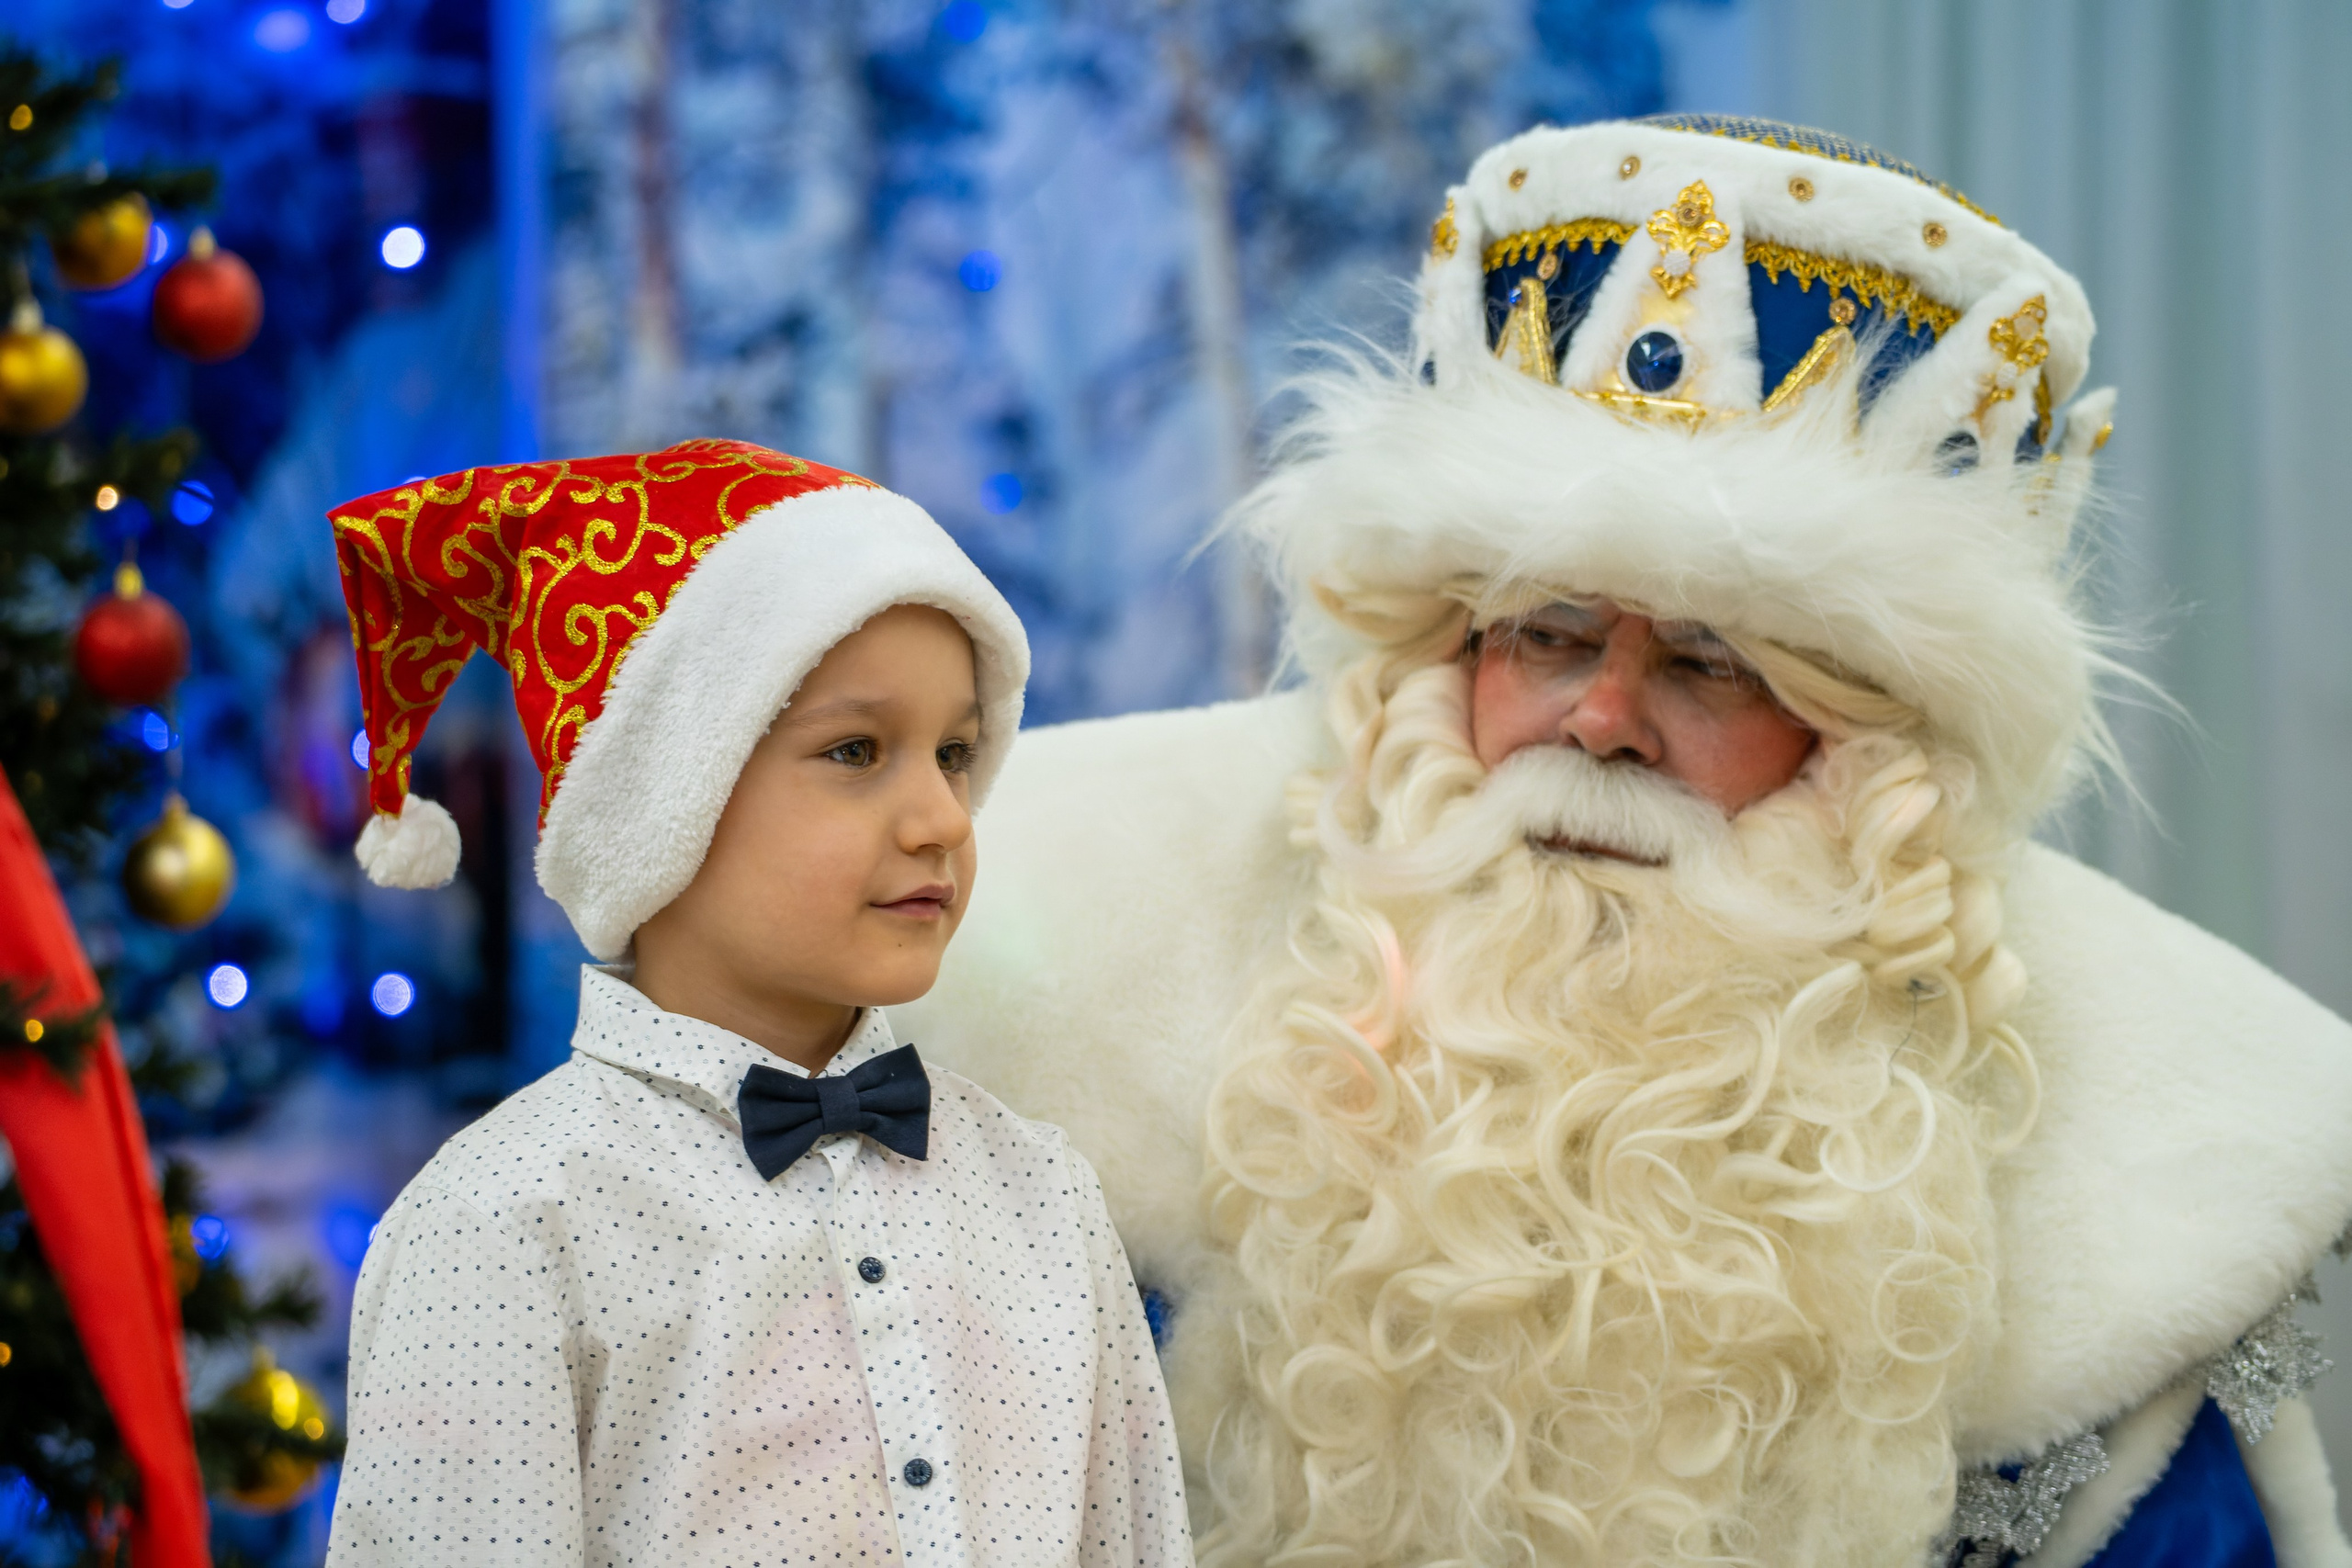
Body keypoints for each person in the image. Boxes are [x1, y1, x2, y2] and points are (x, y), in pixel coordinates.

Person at [899, 118, 2352, 1566]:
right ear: (1445, 655)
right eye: (1548, 631)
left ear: (1869, 750)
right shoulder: (1062, 1011)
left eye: (1712, 661)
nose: (1601, 719)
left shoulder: (2151, 1183)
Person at [322, 441, 1192, 1568]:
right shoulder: (505, 1228)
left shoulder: (1044, 1201)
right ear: (656, 806)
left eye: (956, 753)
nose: (942, 817)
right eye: (855, 750)